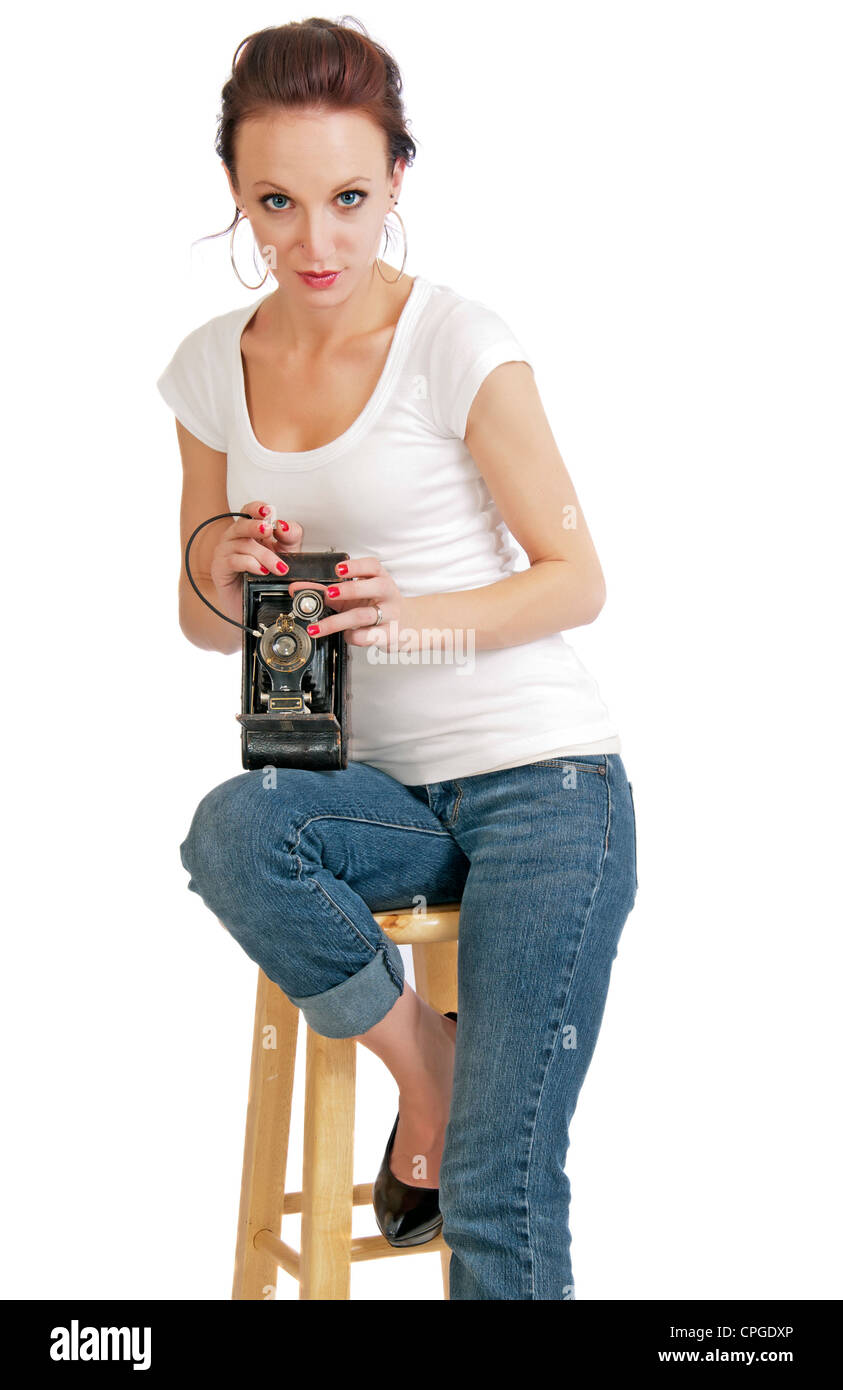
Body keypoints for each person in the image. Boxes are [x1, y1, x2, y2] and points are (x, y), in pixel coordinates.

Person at [156, 17, 638, 1300]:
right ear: (236, 194)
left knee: (497, 1179)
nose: (316, 243)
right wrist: (224, 570)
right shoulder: (215, 367)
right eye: (278, 202)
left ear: (398, 180)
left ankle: (459, 1122)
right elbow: (204, 621)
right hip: (376, 794)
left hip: (544, 787)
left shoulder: (459, 342)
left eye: (350, 198)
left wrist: (407, 611)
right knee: (236, 831)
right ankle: (430, 1071)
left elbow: (577, 580)